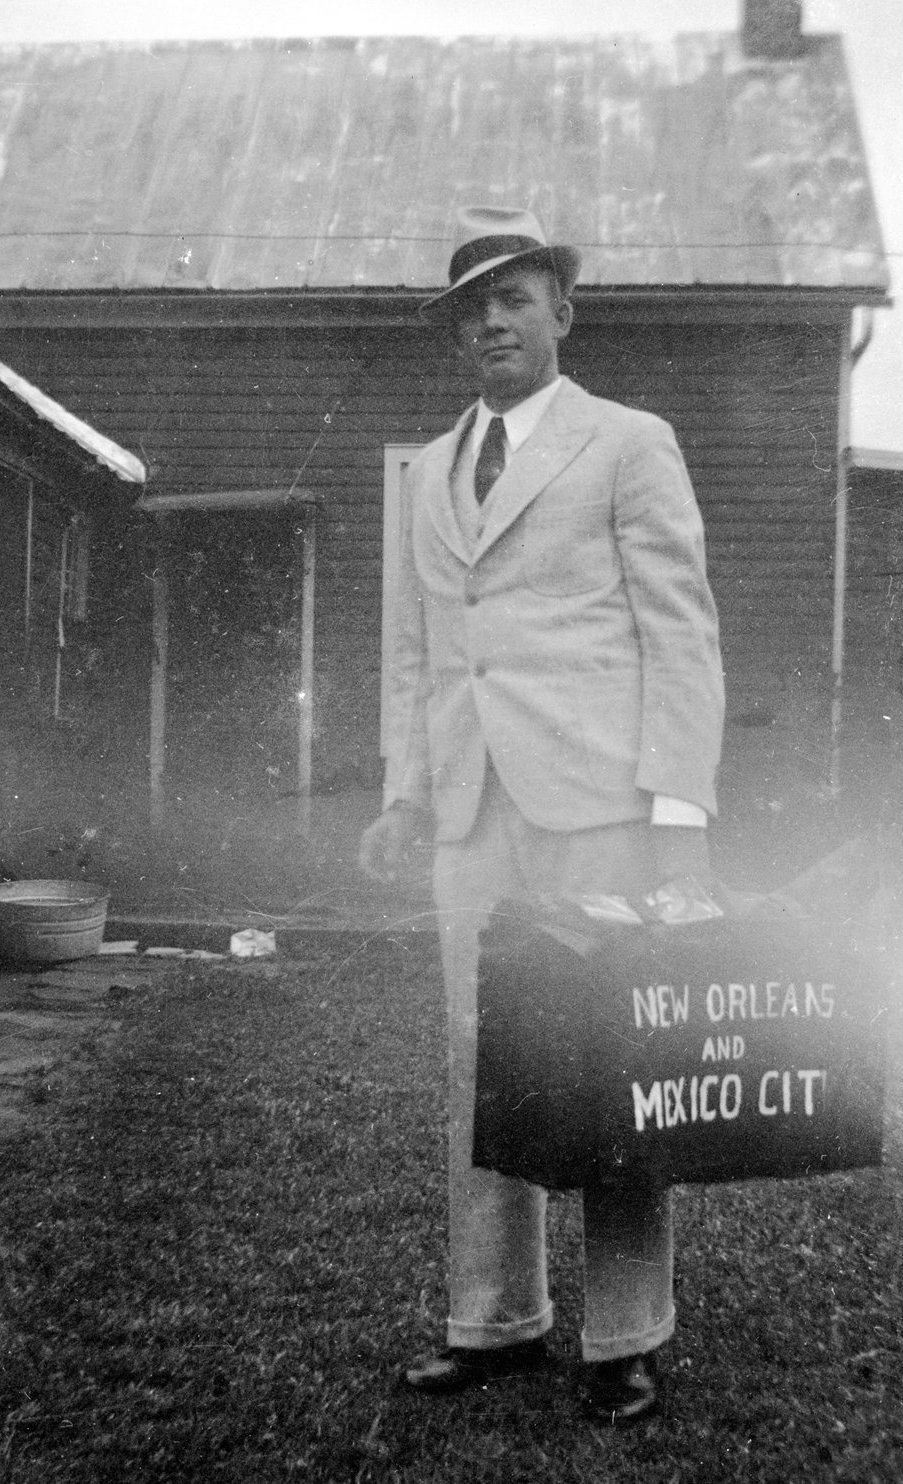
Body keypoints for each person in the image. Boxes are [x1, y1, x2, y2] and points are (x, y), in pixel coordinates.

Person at [359, 205, 725, 1424]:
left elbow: (680, 631)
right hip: (471, 811)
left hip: (598, 805)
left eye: (512, 299)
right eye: (471, 309)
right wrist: (409, 791)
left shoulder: (628, 443)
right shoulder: (425, 472)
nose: (491, 324)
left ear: (562, 312)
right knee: (481, 1068)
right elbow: (418, 657)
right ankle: (494, 1317)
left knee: (616, 1061)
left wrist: (676, 808)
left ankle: (625, 1333)